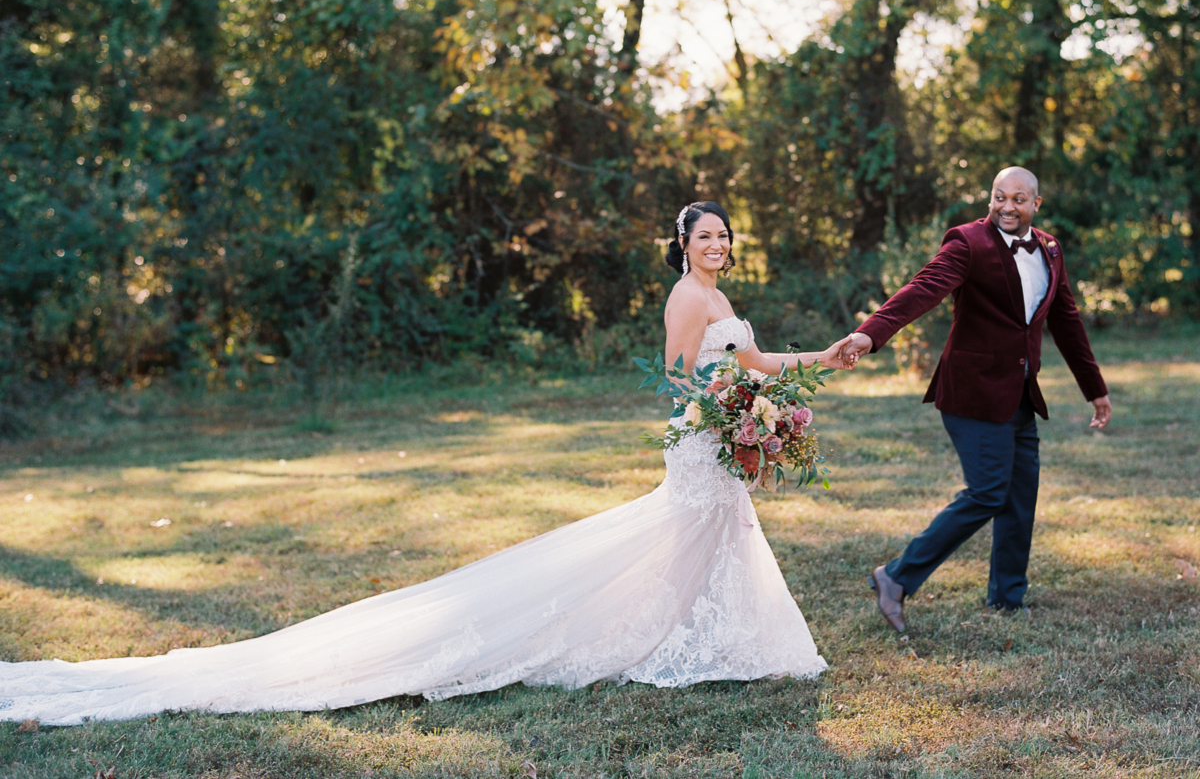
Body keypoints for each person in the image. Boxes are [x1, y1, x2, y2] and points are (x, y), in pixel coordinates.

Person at [0, 200, 846, 726]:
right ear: (682, 244)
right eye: (706, 236)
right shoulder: (684, 297)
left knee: (717, 541)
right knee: (689, 537)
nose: (718, 246)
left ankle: (715, 641)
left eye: (726, 236)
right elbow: (674, 374)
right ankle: (681, 641)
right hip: (700, 441)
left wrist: (815, 362)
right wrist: (720, 407)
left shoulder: (725, 299)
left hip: (718, 441)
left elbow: (757, 361)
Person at [838, 167, 1111, 633]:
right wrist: (870, 334)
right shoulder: (967, 242)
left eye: (1019, 199)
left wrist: (1095, 388)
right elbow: (922, 289)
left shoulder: (1049, 249)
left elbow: (1066, 319)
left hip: (1021, 392)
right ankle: (896, 576)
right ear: (990, 199)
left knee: (1020, 496)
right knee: (988, 491)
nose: (1008, 206)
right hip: (971, 391)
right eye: (999, 197)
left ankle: (1008, 597)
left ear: (1036, 205)